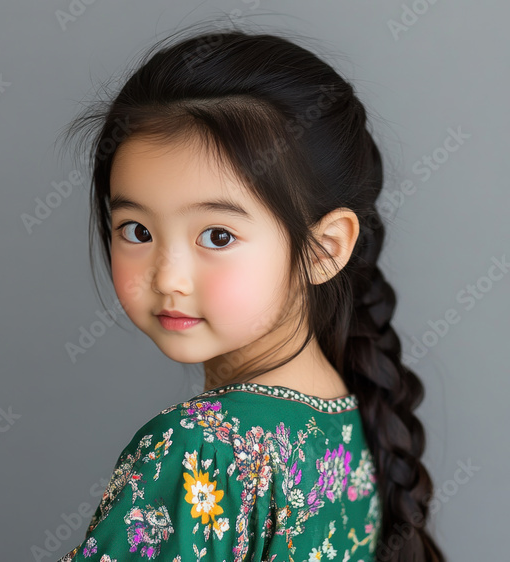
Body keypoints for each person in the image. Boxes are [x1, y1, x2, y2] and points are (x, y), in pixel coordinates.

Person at [54, 24, 446, 562]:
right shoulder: (349, 420)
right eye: (137, 231)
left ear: (324, 249)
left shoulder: (200, 449)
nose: (168, 277)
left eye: (217, 236)